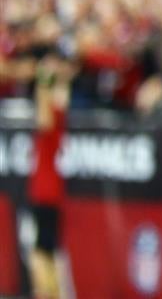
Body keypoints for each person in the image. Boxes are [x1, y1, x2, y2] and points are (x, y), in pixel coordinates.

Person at [28, 53, 71, 299]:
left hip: (45, 190)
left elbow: (43, 110)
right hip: (51, 190)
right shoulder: (60, 114)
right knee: (49, 244)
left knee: (43, 247)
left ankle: (47, 292)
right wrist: (58, 76)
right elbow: (62, 93)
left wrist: (43, 77)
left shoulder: (50, 120)